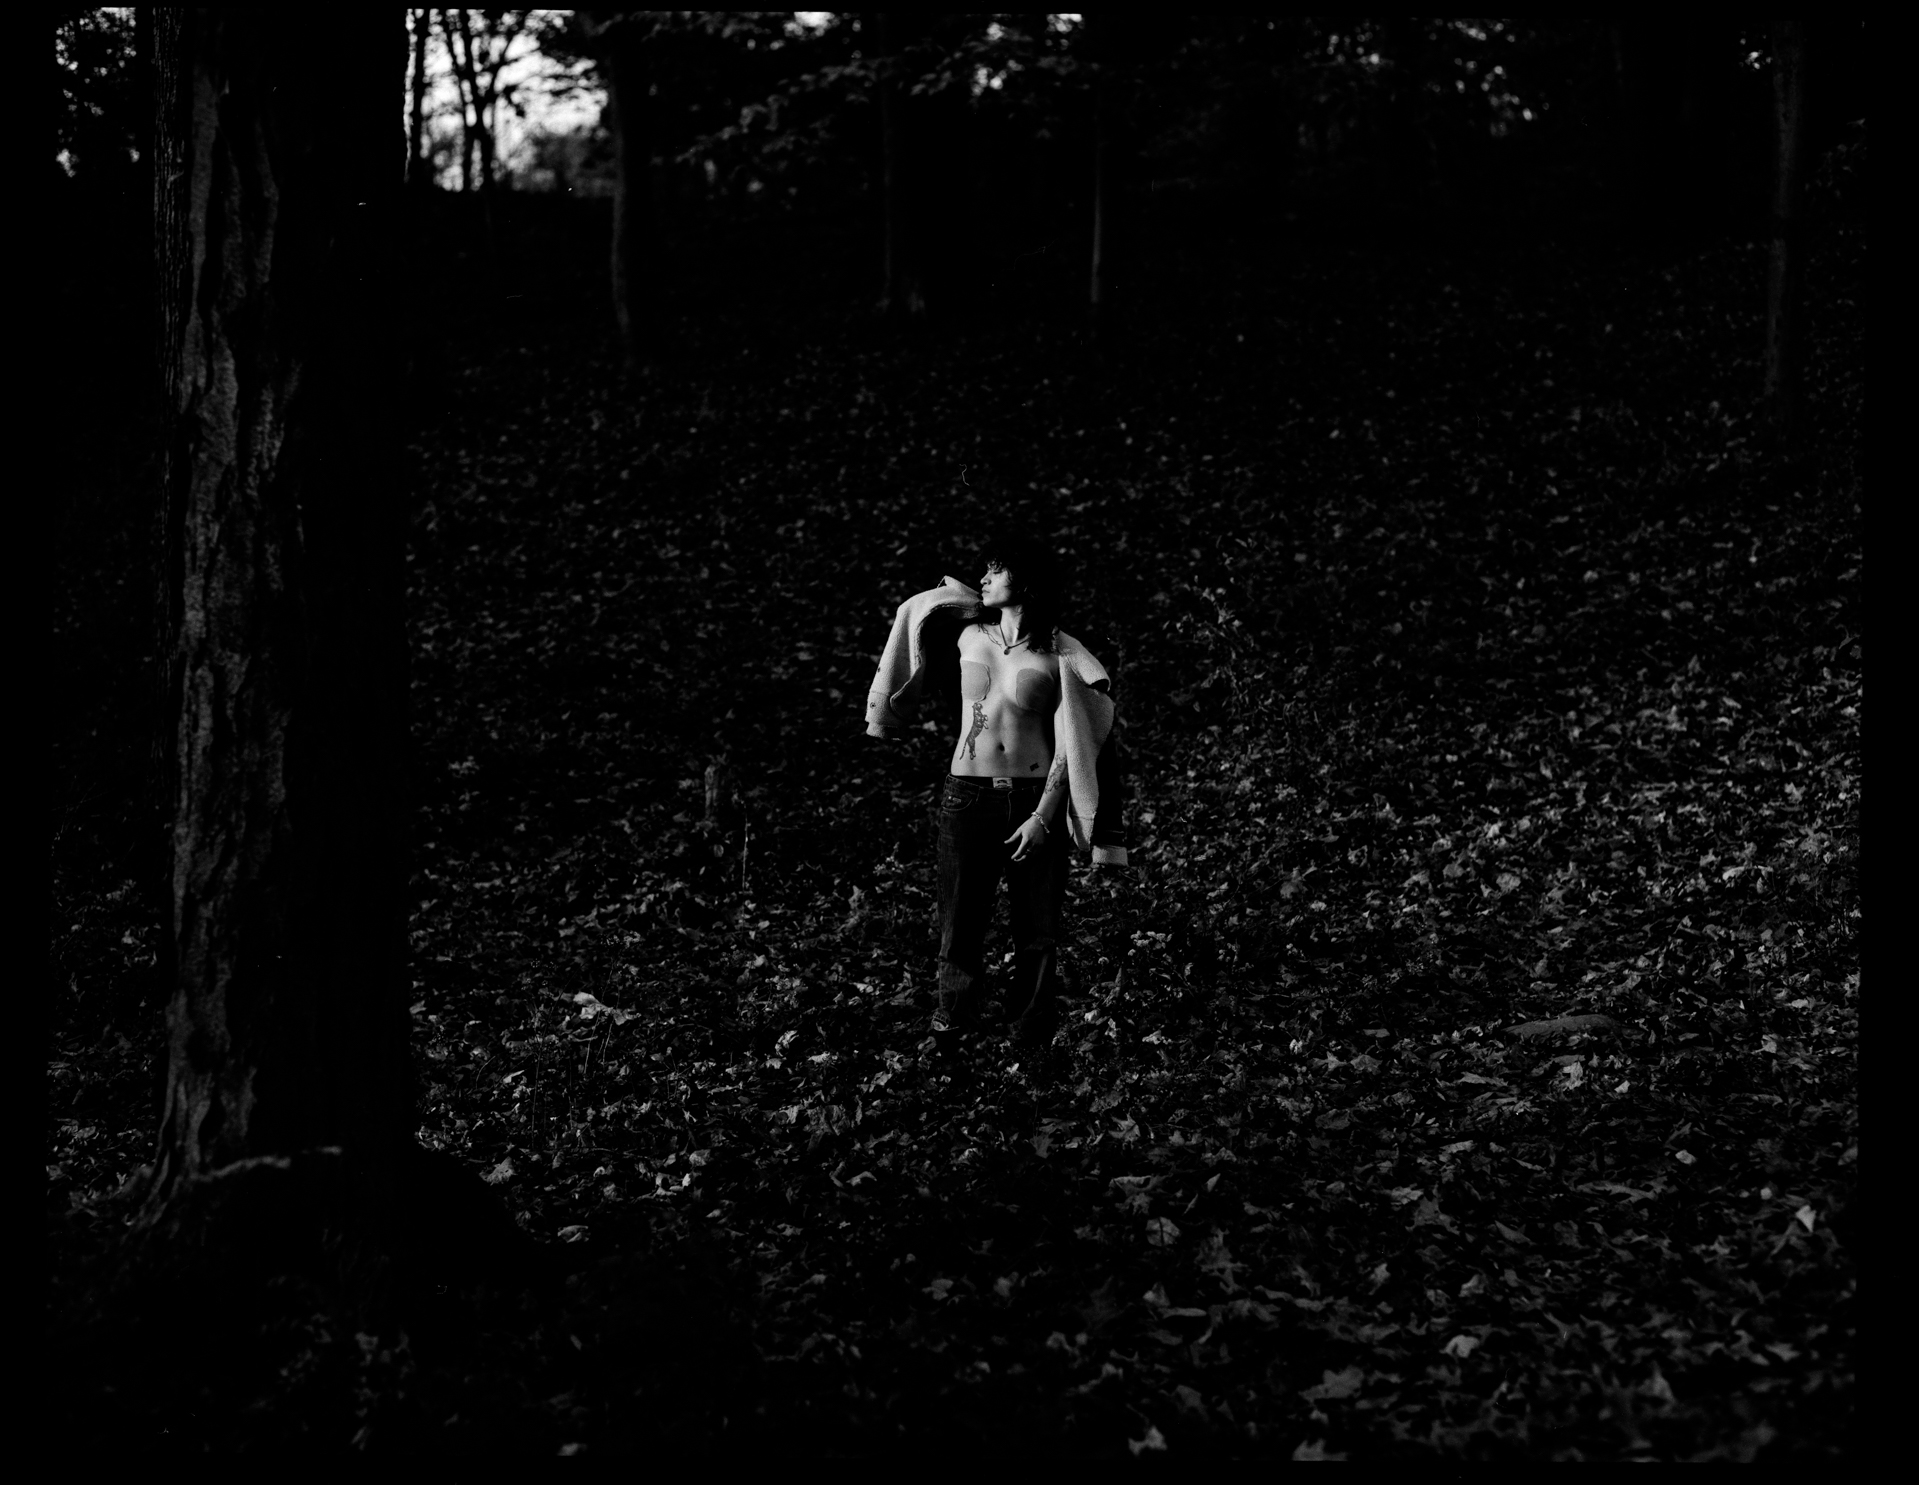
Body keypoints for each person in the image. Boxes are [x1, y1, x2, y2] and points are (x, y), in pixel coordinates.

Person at [864, 534, 1128, 1045]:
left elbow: (1070, 744)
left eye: (996, 569)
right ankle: (953, 1021)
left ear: (1025, 582)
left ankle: (1031, 1029)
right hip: (966, 797)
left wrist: (1043, 817)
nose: (983, 578)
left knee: (1038, 927)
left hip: (1033, 799)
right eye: (984, 570)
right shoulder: (967, 637)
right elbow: (916, 618)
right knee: (960, 920)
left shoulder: (1061, 654)